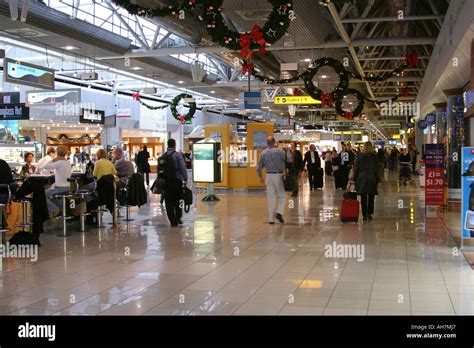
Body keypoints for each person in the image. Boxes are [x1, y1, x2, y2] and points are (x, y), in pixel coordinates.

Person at [256, 137, 287, 224]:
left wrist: (260, 177)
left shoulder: (263, 153)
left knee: (271, 198)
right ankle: (279, 212)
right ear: (274, 142)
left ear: (267, 143)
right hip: (279, 175)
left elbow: (258, 168)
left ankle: (271, 219)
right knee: (282, 195)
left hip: (268, 176)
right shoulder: (280, 151)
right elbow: (288, 160)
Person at [160, 139, 188, 227]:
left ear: (167, 145)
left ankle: (172, 220)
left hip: (166, 182)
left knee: (168, 202)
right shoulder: (177, 155)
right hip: (176, 181)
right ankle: (178, 217)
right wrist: (185, 178)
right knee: (178, 200)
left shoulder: (163, 156)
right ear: (174, 145)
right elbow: (182, 167)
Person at [39, 145, 72, 217]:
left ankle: (54, 209)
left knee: (41, 195)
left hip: (59, 188)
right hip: (67, 187)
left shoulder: (59, 163)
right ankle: (59, 209)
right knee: (52, 196)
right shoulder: (68, 163)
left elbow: (45, 166)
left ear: (57, 152)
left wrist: (53, 159)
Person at [353, 141, 379, 222]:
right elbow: (376, 169)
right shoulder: (374, 157)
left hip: (361, 177)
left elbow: (356, 169)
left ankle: (364, 215)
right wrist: (377, 179)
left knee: (363, 197)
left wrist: (354, 179)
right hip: (371, 177)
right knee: (371, 196)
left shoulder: (359, 156)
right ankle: (369, 213)